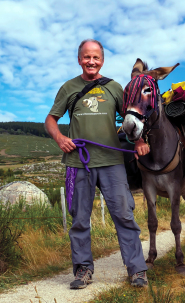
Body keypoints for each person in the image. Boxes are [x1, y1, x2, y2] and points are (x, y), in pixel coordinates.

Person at [45, 39, 149, 289]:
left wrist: (139, 141)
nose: (91, 62)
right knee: (80, 218)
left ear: (102, 60)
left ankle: (137, 270)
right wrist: (60, 137)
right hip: (78, 162)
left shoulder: (114, 88)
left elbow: (131, 116)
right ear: (79, 58)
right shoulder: (69, 87)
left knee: (124, 215)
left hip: (112, 162)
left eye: (96, 58)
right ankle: (83, 270)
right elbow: (50, 119)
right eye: (86, 57)